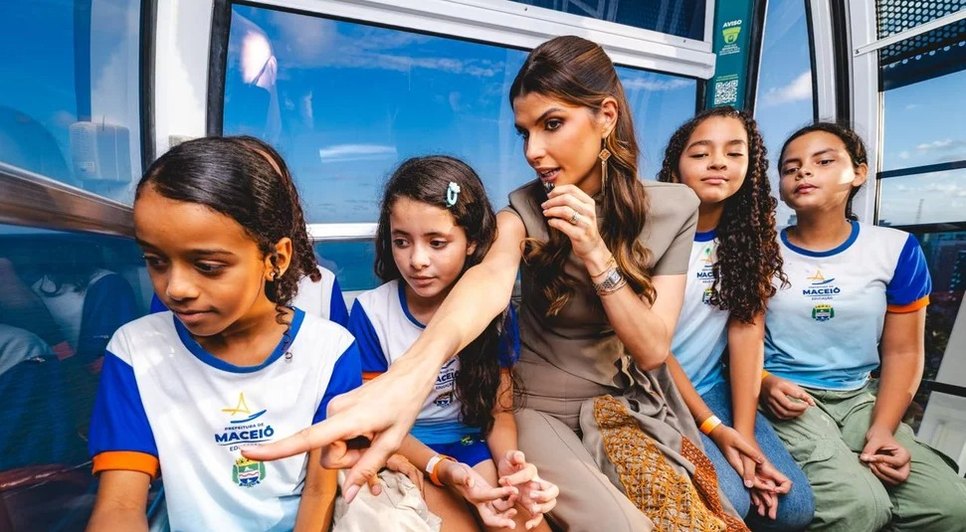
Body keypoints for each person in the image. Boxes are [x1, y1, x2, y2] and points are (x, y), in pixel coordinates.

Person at [252, 35, 744, 531]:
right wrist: (414, 373)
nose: (533, 150)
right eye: (524, 132)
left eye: (552, 125)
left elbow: (653, 348)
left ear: (607, 116)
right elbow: (488, 281)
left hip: (625, 399)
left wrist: (595, 252)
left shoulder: (675, 207)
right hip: (539, 406)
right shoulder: (523, 212)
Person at [86, 136, 361, 531]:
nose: (176, 288)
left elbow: (320, 493)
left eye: (209, 266)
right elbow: (119, 505)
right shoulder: (135, 352)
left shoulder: (330, 351)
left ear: (276, 259)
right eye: (156, 261)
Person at [760, 122, 966, 530]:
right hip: (784, 398)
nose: (803, 172)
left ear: (858, 172)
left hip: (858, 397)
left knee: (949, 505)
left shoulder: (895, 249)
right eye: (790, 167)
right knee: (859, 508)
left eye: (823, 161)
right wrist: (763, 382)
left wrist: (884, 430)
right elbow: (728, 343)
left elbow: (903, 352)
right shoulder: (760, 251)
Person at [347, 156, 556, 531]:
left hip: (469, 446)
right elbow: (376, 422)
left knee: (523, 524)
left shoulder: (493, 310)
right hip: (406, 450)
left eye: (437, 242)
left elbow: (499, 413)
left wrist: (510, 461)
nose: (417, 260)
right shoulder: (372, 313)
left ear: (472, 242)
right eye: (401, 241)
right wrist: (439, 468)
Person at [657, 106, 814, 529]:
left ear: (751, 164)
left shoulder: (748, 241)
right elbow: (652, 348)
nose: (718, 163)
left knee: (795, 508)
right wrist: (713, 429)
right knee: (731, 500)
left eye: (734, 152)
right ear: (676, 165)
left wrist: (742, 434)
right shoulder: (648, 233)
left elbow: (747, 334)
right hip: (655, 392)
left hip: (712, 387)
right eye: (701, 153)